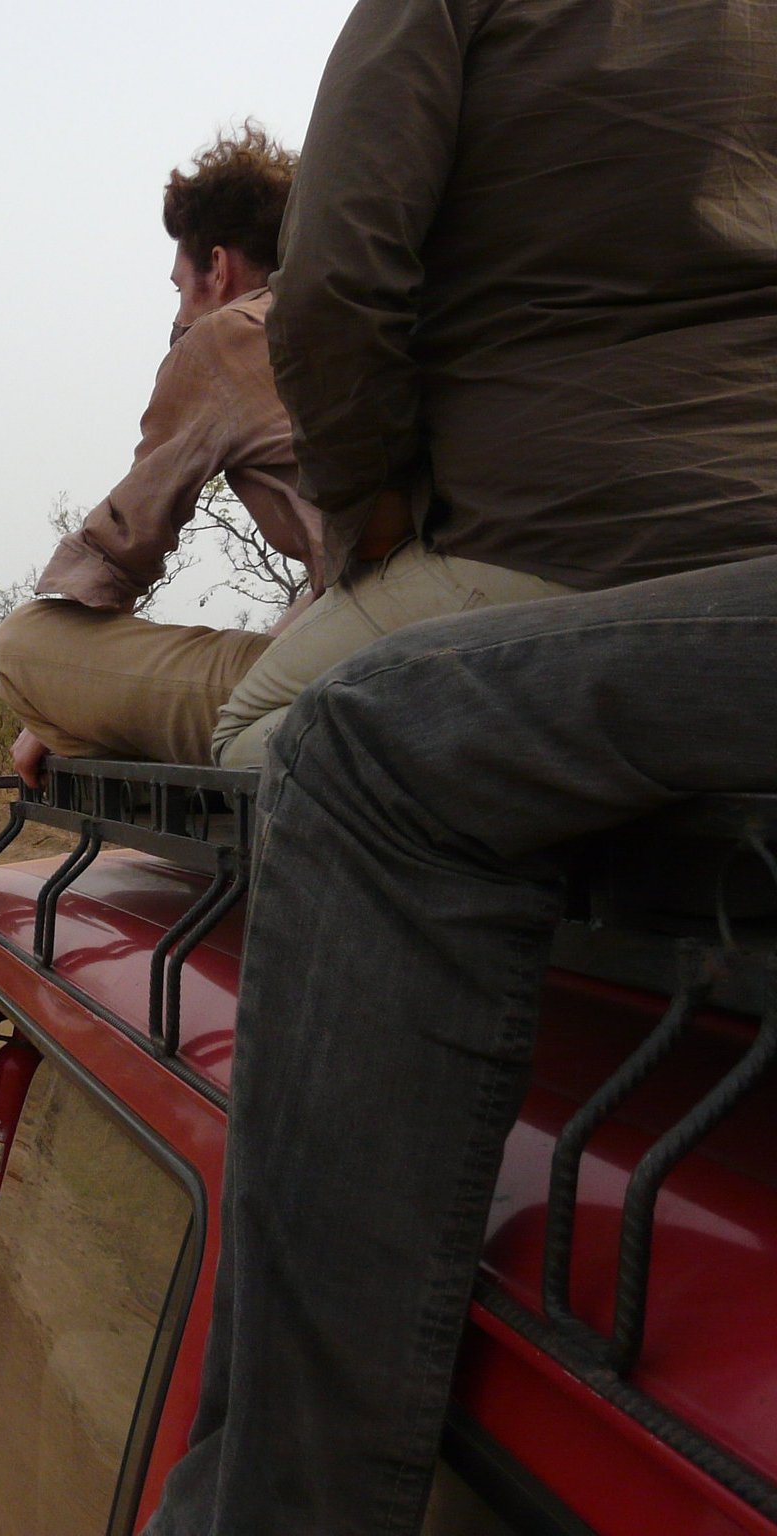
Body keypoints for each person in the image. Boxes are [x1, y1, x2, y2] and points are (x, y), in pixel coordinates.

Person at [143, 0, 777, 1532]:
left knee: (323, 754)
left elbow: (340, 300)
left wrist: (366, 544)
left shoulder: (427, 26)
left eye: (178, 270)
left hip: (555, 550)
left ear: (210, 266)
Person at [0, 126, 579, 786]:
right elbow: (357, 562)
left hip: (409, 640)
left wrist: (67, 698)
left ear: (217, 266)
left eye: (178, 286)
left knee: (27, 642)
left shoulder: (227, 333)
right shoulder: (382, 314)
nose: (180, 312)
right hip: (482, 590)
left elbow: (118, 548)